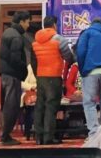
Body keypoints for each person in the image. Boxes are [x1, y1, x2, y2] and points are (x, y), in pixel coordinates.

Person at [33, 16, 75, 145]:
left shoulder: (36, 40)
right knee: (51, 107)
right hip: (54, 76)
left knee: (40, 106)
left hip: (40, 76)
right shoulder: (59, 39)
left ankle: (38, 137)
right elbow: (69, 57)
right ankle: (48, 137)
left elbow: (34, 61)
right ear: (54, 25)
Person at [75, 17, 101, 136]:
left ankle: (94, 133)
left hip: (91, 71)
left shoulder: (87, 33)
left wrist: (83, 70)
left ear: (92, 24)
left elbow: (80, 52)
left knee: (90, 103)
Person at [0, 11, 31, 145]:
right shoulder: (16, 36)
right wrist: (25, 69)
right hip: (12, 75)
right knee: (11, 106)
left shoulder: (7, 32)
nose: (28, 25)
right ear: (22, 21)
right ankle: (5, 137)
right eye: (28, 22)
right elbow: (15, 59)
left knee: (6, 105)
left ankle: (5, 135)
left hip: (5, 74)